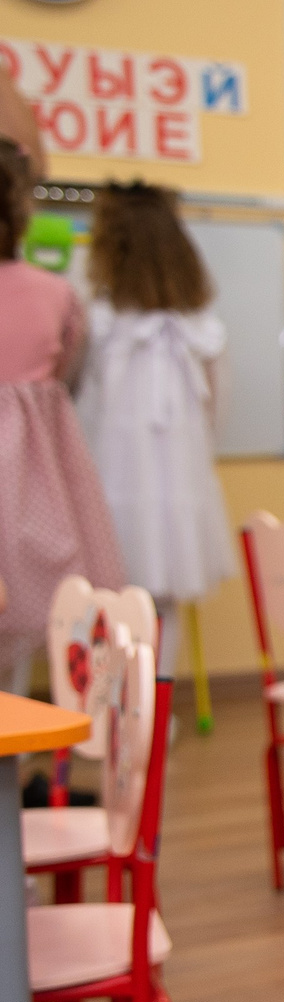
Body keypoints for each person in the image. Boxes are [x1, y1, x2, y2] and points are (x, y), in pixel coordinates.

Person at [75, 182, 236, 615]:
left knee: (106, 605)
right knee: (162, 608)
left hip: (112, 480)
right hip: (177, 485)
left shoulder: (99, 322)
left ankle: (125, 685)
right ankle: (152, 683)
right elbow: (215, 414)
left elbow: (73, 403)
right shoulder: (200, 328)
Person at [0, 142, 122, 699]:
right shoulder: (56, 294)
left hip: (30, 477)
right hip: (36, 479)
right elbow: (67, 376)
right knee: (38, 612)